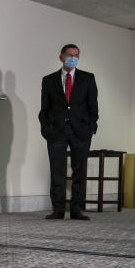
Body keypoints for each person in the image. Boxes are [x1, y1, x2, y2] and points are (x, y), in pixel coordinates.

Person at [39, 44, 98, 221]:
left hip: (80, 131)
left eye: (76, 55)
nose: (73, 57)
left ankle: (76, 210)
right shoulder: (49, 80)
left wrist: (91, 127)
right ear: (61, 57)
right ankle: (57, 209)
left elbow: (93, 106)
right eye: (69, 54)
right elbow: (45, 108)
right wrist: (46, 129)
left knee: (79, 170)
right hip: (56, 131)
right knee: (57, 170)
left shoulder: (88, 78)